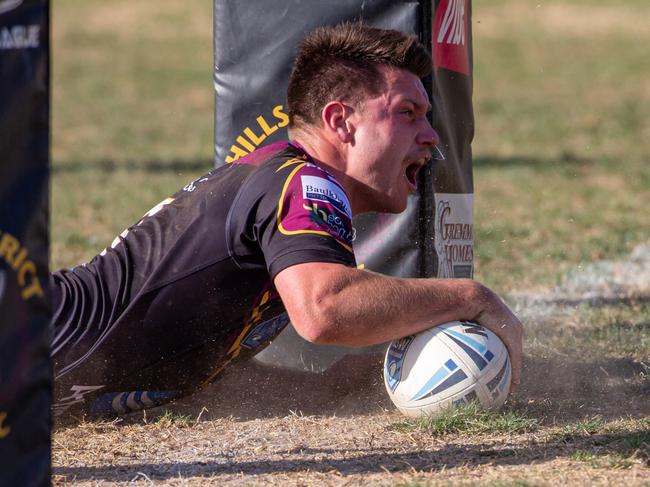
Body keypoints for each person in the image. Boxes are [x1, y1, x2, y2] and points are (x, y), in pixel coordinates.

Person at [51, 22, 523, 417]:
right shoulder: (304, 184)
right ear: (340, 121)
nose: (430, 135)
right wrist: (471, 298)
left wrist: (331, 387)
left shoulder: (277, 175)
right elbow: (325, 310)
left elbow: (191, 358)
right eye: (407, 114)